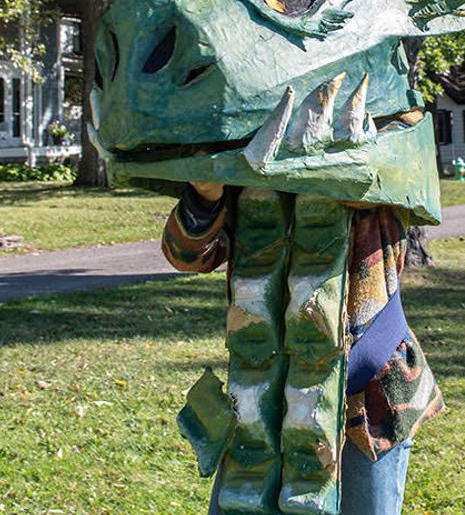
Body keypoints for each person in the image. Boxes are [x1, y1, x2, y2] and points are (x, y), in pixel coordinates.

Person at [166, 182, 443, 515]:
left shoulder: (378, 153)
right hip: (260, 406)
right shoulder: (247, 167)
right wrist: (205, 195)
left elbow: (386, 183)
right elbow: (189, 254)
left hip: (366, 406)